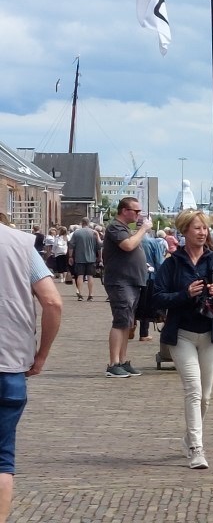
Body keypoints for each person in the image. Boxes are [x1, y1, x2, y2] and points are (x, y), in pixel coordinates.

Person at [153, 209, 213, 469]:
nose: (202, 233)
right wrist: (184, 294)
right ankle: (197, 449)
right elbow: (157, 297)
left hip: (211, 334)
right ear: (184, 232)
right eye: (197, 228)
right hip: (182, 335)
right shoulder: (172, 264)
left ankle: (190, 435)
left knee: (206, 396)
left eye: (205, 228)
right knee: (193, 389)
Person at [0, 217, 62, 520]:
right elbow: (52, 303)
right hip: (10, 364)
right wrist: (41, 355)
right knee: (2, 460)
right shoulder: (22, 245)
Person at [102, 197, 152, 378]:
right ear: (125, 211)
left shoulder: (124, 229)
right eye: (136, 211)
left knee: (128, 322)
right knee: (120, 320)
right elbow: (128, 245)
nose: (139, 214)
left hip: (132, 281)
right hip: (120, 281)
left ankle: (122, 360)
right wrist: (143, 229)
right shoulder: (115, 227)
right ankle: (114, 363)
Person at [137, 228, 169, 342]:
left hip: (133, 278)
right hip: (149, 277)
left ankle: (130, 325)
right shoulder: (153, 242)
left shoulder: (132, 241)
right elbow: (159, 262)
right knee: (146, 305)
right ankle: (143, 333)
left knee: (133, 304)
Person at [67, 218, 99, 301]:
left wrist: (70, 256)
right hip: (91, 258)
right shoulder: (94, 233)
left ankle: (80, 294)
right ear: (89, 223)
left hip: (79, 258)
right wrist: (100, 257)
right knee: (90, 276)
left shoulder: (77, 233)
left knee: (80, 276)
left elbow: (71, 245)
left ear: (81, 223)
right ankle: (90, 295)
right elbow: (98, 246)